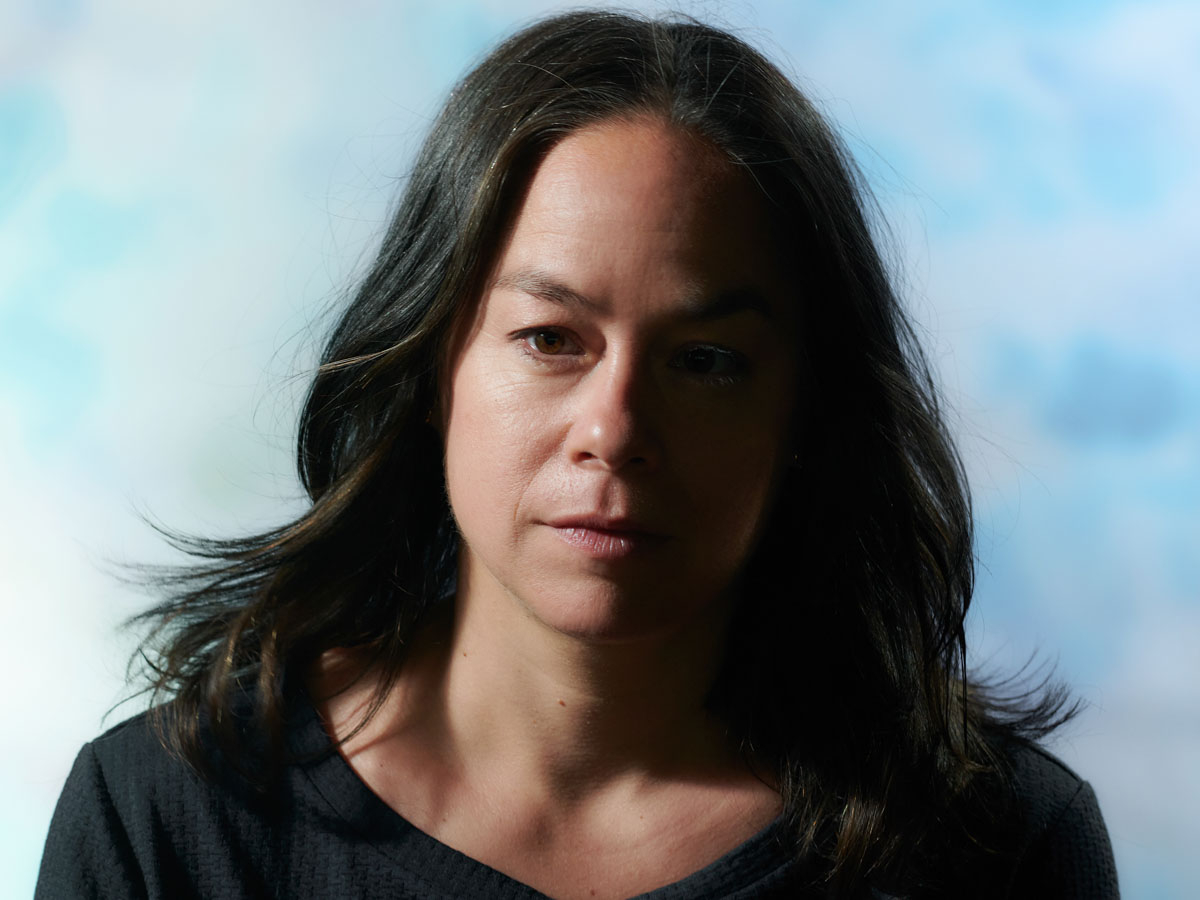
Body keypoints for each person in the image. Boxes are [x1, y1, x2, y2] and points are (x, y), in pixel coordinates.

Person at [36, 10, 1118, 899]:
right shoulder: (170, 823)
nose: (616, 430)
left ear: (805, 415)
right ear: (430, 368)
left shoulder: (1001, 849)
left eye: (706, 360)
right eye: (551, 339)